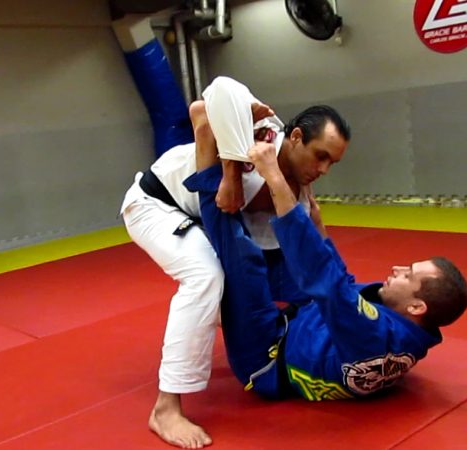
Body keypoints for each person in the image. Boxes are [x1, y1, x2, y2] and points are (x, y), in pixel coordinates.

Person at [120, 76, 350, 449]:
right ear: (295, 138)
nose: (323, 170)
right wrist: (231, 171)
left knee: (273, 277)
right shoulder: (263, 134)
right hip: (157, 204)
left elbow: (296, 262)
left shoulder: (295, 194)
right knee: (206, 277)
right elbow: (221, 88)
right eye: (320, 155)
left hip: (205, 213)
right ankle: (166, 408)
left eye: (332, 163)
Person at [184, 116, 467, 403]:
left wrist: (274, 175)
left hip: (265, 357)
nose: (397, 269)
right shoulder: (413, 333)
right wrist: (316, 222)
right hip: (307, 321)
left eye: (408, 275)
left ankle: (206, 155)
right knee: (292, 258)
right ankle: (231, 313)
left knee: (245, 260)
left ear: (417, 306)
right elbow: (344, 286)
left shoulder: (373, 333)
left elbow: (325, 279)